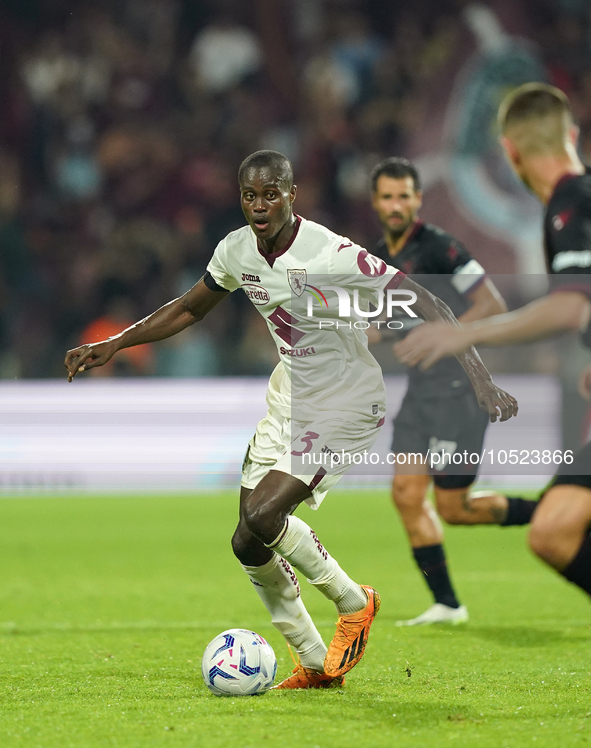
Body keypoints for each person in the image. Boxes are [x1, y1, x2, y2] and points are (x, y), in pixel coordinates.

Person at [65, 150, 517, 689]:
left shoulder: (331, 253)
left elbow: (429, 304)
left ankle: (354, 601)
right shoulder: (235, 250)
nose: (260, 205)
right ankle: (312, 663)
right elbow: (189, 308)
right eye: (250, 196)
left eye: (271, 194)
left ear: (291, 194)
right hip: (290, 400)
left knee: (261, 513)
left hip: (347, 403)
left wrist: (481, 379)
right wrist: (116, 342)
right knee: (247, 541)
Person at [394, 83, 591, 603]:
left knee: (554, 532)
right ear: (570, 134)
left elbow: (570, 306)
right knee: (554, 527)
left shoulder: (571, 201)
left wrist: (463, 330)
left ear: (508, 150)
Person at [369, 158, 538, 626]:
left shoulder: (443, 250)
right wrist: (375, 333)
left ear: (419, 198)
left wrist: (446, 337)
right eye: (388, 196)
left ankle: (552, 509)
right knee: (405, 494)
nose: (396, 204)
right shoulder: (374, 259)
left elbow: (492, 303)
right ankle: (447, 604)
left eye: (404, 195)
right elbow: (396, 319)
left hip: (459, 391)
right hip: (420, 393)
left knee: (455, 508)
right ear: (375, 202)